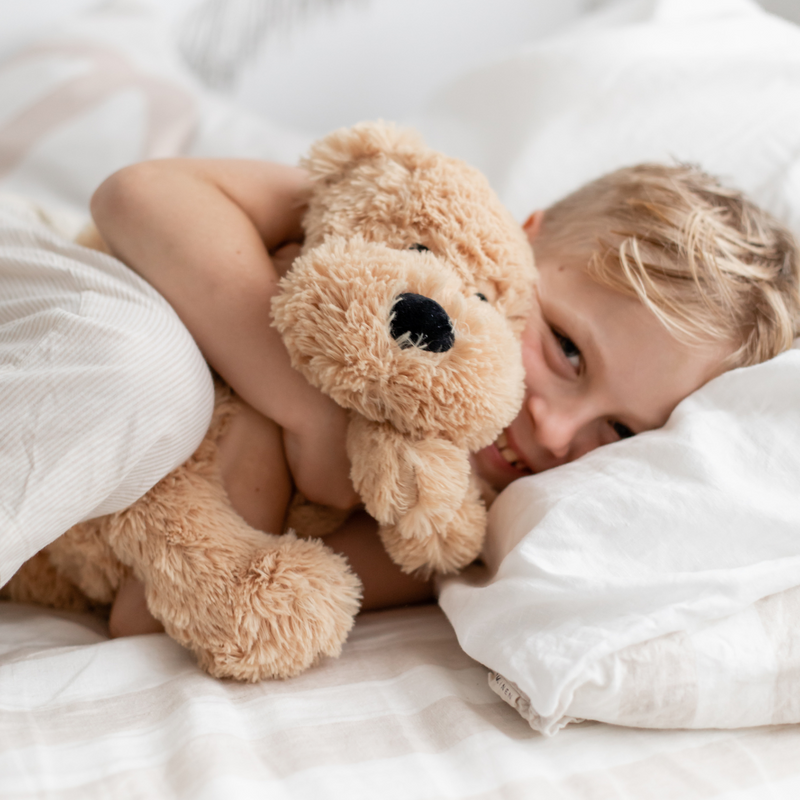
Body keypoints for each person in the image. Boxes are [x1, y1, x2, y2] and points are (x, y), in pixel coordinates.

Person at [86, 158, 800, 636]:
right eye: (569, 349)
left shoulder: (450, 532)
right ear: (521, 241)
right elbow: (137, 194)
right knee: (140, 358)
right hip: (79, 291)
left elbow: (149, 622)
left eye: (619, 431)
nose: (556, 434)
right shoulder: (419, 228)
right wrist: (304, 406)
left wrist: (273, 444)